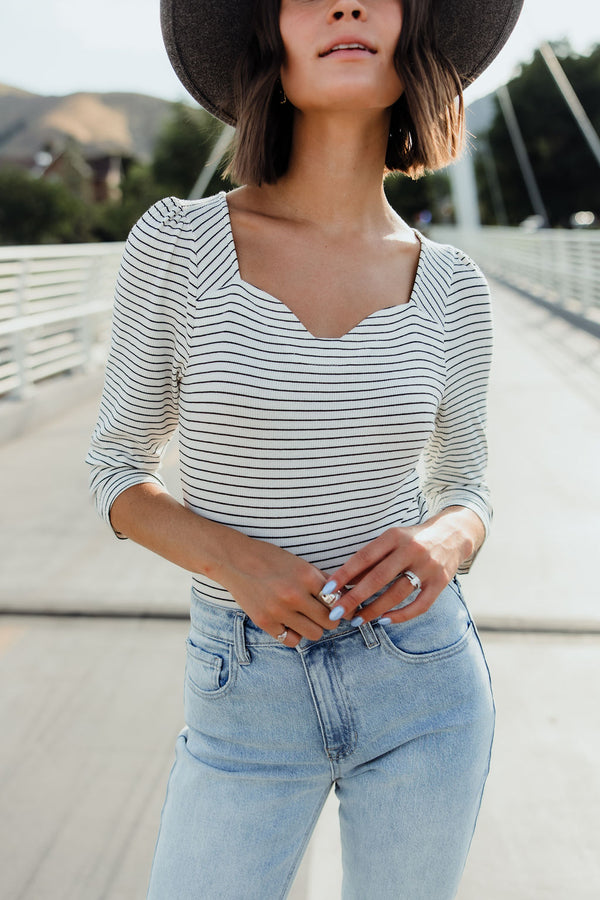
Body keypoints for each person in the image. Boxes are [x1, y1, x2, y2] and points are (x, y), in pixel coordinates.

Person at [87, 1, 523, 897]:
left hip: (423, 685)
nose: (347, 3)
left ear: (414, 41)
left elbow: (468, 485)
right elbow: (114, 469)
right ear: (269, 39)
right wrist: (234, 561)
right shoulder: (176, 243)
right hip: (243, 695)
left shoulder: (454, 289)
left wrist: (448, 539)